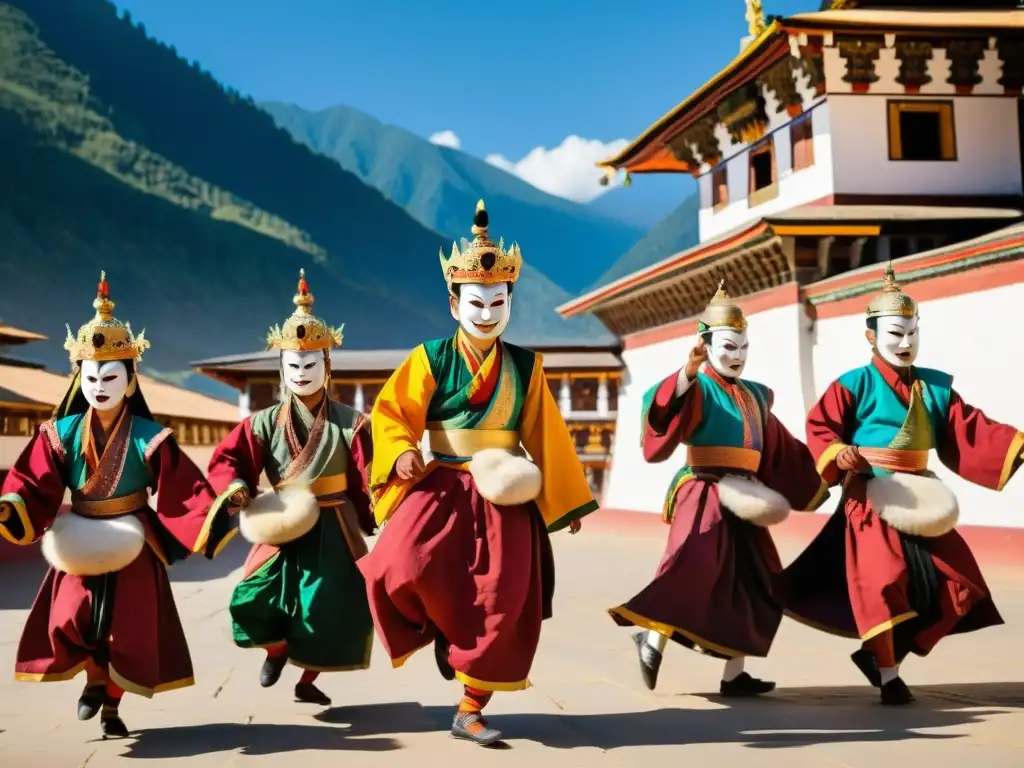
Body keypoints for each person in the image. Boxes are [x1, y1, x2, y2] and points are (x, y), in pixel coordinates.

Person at [358, 200, 598, 747]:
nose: (486, 312)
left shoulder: (526, 366)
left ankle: (470, 706)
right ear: (453, 302)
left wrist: (565, 501)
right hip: (441, 483)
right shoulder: (430, 357)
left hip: (505, 491)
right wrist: (398, 454)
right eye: (475, 302)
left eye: (496, 302)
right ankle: (440, 631)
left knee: (501, 598)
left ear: (509, 301)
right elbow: (391, 413)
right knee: (397, 565)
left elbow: (546, 434)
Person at [0, 272, 232, 738]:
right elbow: (32, 479)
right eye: (91, 376)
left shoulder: (150, 438)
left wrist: (211, 512)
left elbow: (183, 489)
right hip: (79, 540)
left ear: (129, 381)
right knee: (73, 617)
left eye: (111, 376)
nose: (100, 384)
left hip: (133, 542)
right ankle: (93, 683)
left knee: (127, 630)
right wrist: (13, 504)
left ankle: (111, 701)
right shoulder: (59, 434)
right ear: (78, 379)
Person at [785, 263, 1023, 705]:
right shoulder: (852, 385)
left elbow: (970, 428)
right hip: (870, 496)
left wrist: (1017, 445)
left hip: (920, 494)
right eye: (895, 334)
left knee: (961, 582)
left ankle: (882, 655)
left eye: (912, 332)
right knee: (884, 580)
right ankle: (889, 674)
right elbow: (821, 427)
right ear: (871, 336)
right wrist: (840, 453)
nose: (905, 342)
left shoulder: (935, 388)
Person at [610, 281, 828, 696]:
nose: (737, 356)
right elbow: (661, 408)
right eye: (728, 347)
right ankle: (651, 638)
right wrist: (686, 374)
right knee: (691, 566)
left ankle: (735, 674)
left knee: (758, 579)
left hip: (746, 497)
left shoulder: (756, 397)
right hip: (704, 492)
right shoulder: (698, 386)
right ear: (705, 344)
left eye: (743, 347)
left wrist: (828, 467)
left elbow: (782, 448)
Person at [205, 269, 375, 706]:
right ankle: (276, 650)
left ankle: (306, 681)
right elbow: (228, 460)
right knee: (250, 595)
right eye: (293, 365)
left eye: (310, 364)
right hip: (281, 523)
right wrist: (238, 487)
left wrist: (382, 505)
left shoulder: (352, 423)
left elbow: (369, 472)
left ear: (327, 365)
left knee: (324, 609)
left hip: (334, 527)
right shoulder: (261, 423)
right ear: (282, 367)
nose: (301, 372)